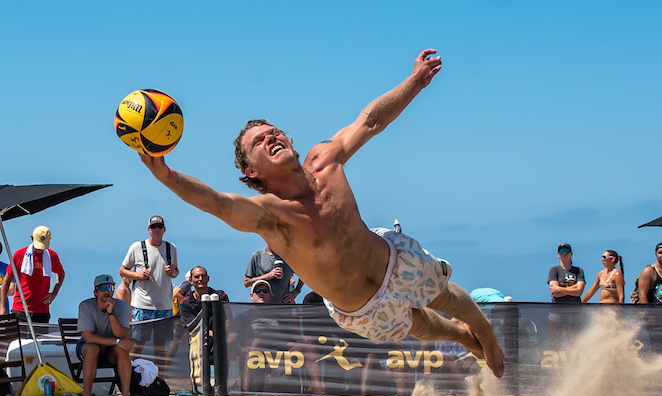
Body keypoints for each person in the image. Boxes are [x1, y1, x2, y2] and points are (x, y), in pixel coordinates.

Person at [137, 49, 504, 378]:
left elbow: (371, 121)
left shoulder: (324, 161)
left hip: (392, 259)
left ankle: (483, 331)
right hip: (360, 307)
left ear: (289, 140)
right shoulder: (271, 216)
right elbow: (217, 203)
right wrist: (168, 176)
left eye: (274, 132)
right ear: (251, 171)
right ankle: (461, 335)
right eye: (259, 142)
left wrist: (415, 81)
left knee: (442, 296)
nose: (271, 137)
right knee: (420, 325)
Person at [119, 215, 179, 370]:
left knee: (161, 347)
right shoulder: (137, 247)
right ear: (148, 230)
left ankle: (161, 381)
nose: (156, 230)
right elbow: (123, 271)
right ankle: (129, 377)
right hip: (142, 304)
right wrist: (139, 275)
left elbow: (175, 272)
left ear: (164, 230)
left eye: (159, 227)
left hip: (164, 306)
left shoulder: (171, 248)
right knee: (137, 344)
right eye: (154, 227)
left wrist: (173, 271)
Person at [77, 275, 134, 396]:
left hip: (111, 349)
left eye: (110, 287)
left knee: (122, 349)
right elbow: (88, 338)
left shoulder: (123, 306)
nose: (107, 291)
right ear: (95, 292)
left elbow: (122, 335)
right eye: (103, 288)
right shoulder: (85, 306)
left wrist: (111, 313)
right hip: (88, 347)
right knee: (93, 349)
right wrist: (117, 341)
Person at [0, 226, 65, 329]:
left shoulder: (51, 255)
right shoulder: (19, 255)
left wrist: (54, 293)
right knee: (18, 343)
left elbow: (61, 273)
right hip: (20, 309)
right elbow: (6, 281)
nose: (40, 249)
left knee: (40, 343)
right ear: (32, 238)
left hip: (42, 310)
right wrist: (2, 306)